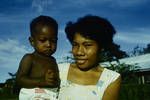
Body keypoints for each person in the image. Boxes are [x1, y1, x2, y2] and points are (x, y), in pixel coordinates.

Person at [58, 15, 121, 100]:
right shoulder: (59, 70)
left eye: (87, 45)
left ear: (101, 47)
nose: (79, 52)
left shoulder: (110, 79)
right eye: (75, 45)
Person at [16, 15, 60, 100]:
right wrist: (42, 81)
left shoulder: (53, 60)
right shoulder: (29, 58)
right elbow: (19, 80)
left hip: (51, 94)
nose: (48, 45)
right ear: (32, 41)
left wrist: (53, 80)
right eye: (43, 40)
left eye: (53, 41)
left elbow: (55, 82)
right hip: (34, 94)